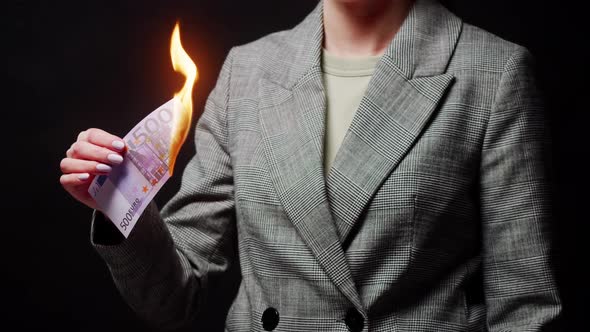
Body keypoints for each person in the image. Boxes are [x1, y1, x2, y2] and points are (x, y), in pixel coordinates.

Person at [60, 0, 562, 330]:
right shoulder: (247, 72)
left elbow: (525, 305)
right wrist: (116, 199)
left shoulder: (493, 72)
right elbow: (174, 297)